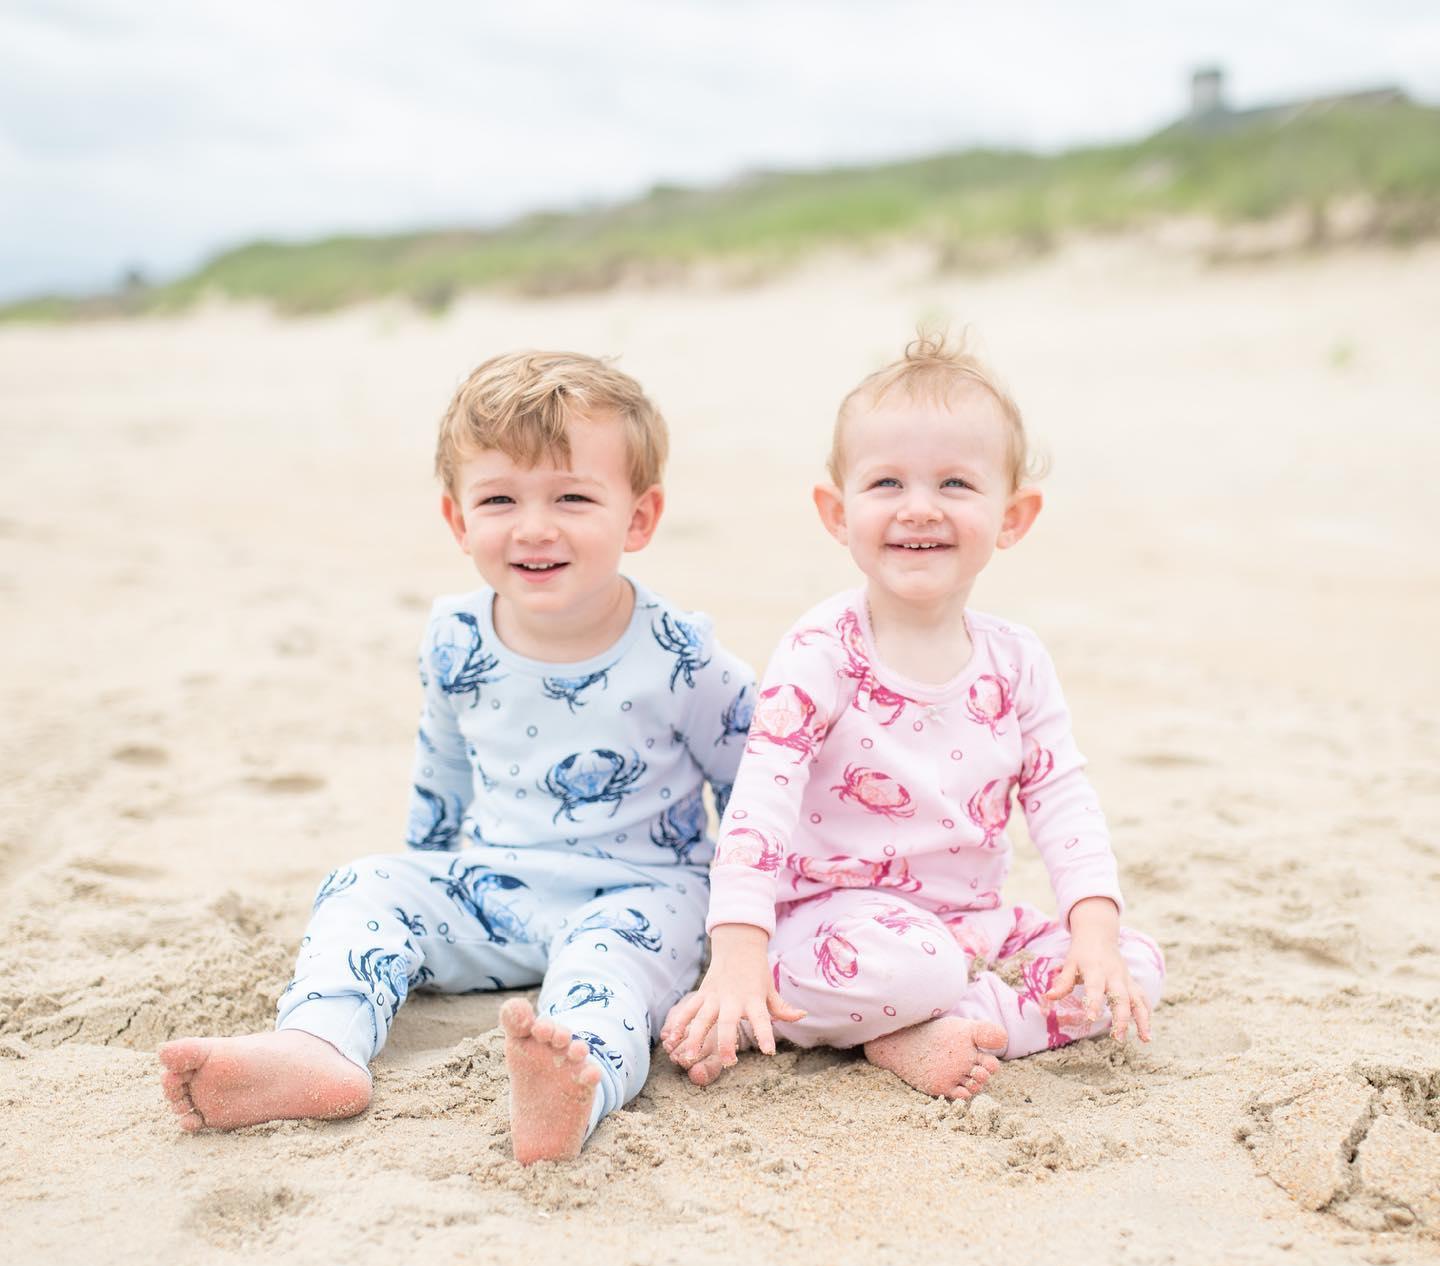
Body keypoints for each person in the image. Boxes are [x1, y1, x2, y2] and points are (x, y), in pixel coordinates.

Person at [159, 350, 754, 1162]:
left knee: (605, 976)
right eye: (500, 499)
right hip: (498, 882)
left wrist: (748, 937)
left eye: (573, 497)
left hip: (646, 893)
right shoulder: (457, 638)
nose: (534, 526)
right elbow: (440, 771)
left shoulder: (684, 657)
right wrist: (425, 889)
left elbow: (756, 795)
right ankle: (320, 1046)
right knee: (364, 883)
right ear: (458, 520)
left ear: (639, 518)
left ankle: (572, 1093)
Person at [662, 332, 1163, 1100]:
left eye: (956, 484)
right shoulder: (822, 650)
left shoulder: (1018, 661)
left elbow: (1064, 799)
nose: (919, 508)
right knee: (909, 964)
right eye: (887, 483)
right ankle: (831, 1007)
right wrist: (736, 951)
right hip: (833, 923)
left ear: (1013, 516)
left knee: (1130, 968)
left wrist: (1092, 928)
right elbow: (759, 803)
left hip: (969, 924)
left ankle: (926, 1026)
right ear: (838, 511)